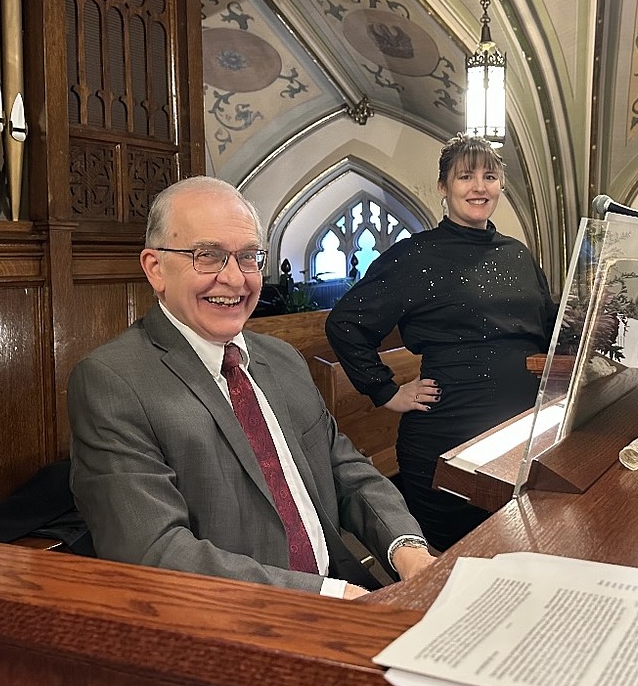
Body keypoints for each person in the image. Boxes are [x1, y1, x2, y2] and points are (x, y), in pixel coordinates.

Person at [69, 176, 434, 598]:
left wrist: (408, 550)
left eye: (247, 257)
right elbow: (155, 551)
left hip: (346, 591)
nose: (234, 279)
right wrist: (330, 596)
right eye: (208, 256)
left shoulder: (282, 359)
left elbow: (344, 471)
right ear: (155, 268)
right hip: (236, 626)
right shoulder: (112, 381)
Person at [326, 135, 558, 551]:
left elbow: (549, 322)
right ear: (443, 187)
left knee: (513, 558)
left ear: (500, 185)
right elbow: (345, 324)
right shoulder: (414, 256)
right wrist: (386, 391)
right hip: (444, 440)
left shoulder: (517, 254)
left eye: (489, 176)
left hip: (518, 438)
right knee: (455, 567)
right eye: (465, 176)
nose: (479, 187)